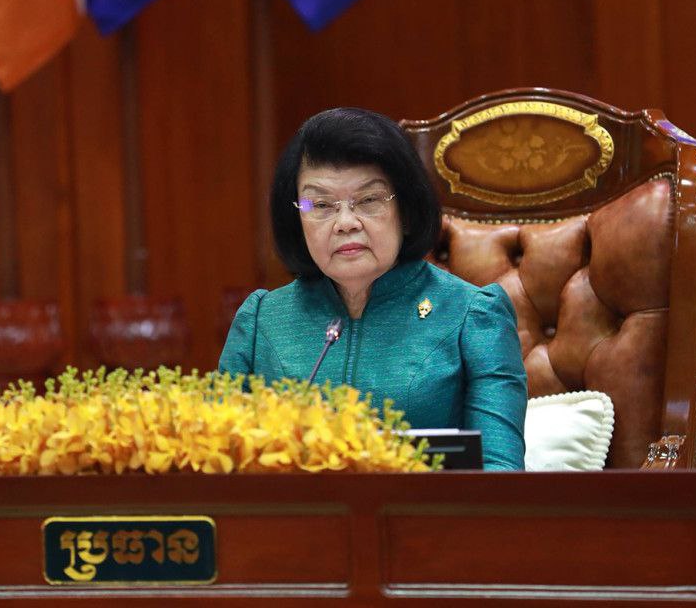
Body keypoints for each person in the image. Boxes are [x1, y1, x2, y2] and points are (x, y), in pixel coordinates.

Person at [219, 107, 527, 470]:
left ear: (406, 211)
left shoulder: (473, 316)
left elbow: (499, 478)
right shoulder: (261, 321)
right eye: (321, 204)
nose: (345, 223)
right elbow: (220, 467)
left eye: (368, 200)